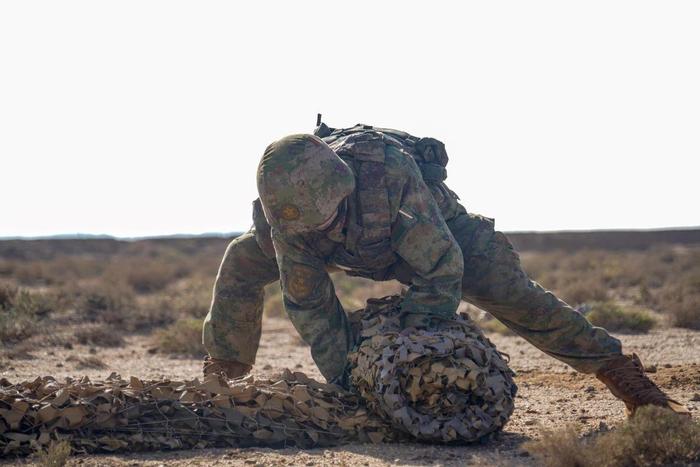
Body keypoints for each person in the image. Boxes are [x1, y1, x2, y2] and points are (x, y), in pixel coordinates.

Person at [202, 121, 689, 416]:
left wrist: (415, 336)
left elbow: (440, 266)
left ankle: (623, 376)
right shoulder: (288, 223)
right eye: (302, 227)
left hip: (437, 238)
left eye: (321, 220)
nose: (312, 232)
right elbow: (313, 312)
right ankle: (223, 372)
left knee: (512, 292)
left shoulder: (389, 174)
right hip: (360, 250)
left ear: (342, 189)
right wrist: (357, 384)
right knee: (241, 261)